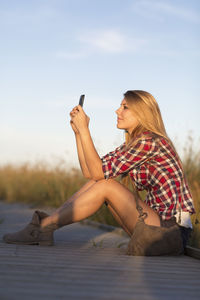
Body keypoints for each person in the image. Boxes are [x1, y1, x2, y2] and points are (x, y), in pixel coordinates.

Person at [3, 90, 195, 256]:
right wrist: (79, 133)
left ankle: (42, 227)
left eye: (125, 107)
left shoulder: (150, 141)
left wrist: (86, 129)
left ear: (142, 114)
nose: (117, 111)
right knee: (101, 181)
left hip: (171, 233)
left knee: (106, 184)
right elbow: (91, 172)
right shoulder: (134, 143)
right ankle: (43, 227)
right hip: (154, 229)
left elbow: (98, 173)